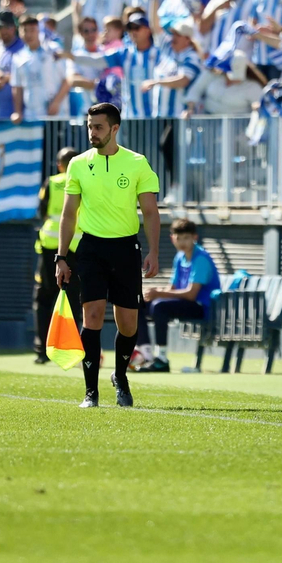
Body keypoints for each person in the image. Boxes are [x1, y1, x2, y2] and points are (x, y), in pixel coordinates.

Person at [55, 102, 161, 408]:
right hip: (90, 249)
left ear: (114, 129)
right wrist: (61, 257)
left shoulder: (137, 162)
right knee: (93, 316)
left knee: (128, 324)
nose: (92, 132)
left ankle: (120, 376)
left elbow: (151, 213)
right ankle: (91, 392)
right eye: (89, 126)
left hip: (126, 249)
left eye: (98, 127)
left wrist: (154, 251)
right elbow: (68, 215)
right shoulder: (77, 164)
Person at [135, 218, 220, 373]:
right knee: (139, 304)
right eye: (178, 238)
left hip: (201, 307)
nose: (182, 242)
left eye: (186, 238)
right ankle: (146, 354)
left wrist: (159, 294)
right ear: (172, 238)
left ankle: (161, 359)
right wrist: (154, 293)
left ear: (195, 238)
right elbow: (173, 288)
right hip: (184, 303)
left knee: (160, 306)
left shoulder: (200, 258)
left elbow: (191, 294)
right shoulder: (179, 257)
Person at [32, 147, 82, 364]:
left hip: (52, 246)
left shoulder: (51, 182)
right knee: (78, 300)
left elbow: (41, 210)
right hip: (78, 246)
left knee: (44, 299)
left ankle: (43, 351)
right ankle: (78, 350)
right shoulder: (84, 180)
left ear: (60, 164)